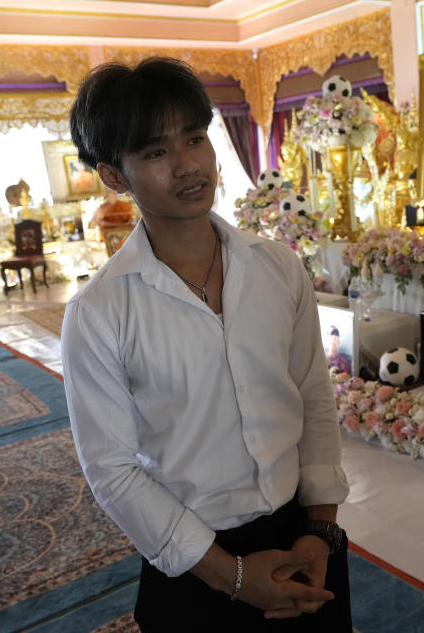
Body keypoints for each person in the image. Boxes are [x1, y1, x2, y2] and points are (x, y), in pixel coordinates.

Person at [62, 57, 352, 632]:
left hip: (305, 543)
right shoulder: (98, 314)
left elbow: (312, 400)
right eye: (156, 152)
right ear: (114, 176)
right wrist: (231, 576)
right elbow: (113, 472)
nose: (189, 165)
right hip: (194, 563)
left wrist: (319, 530)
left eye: (195, 139)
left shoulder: (277, 268)